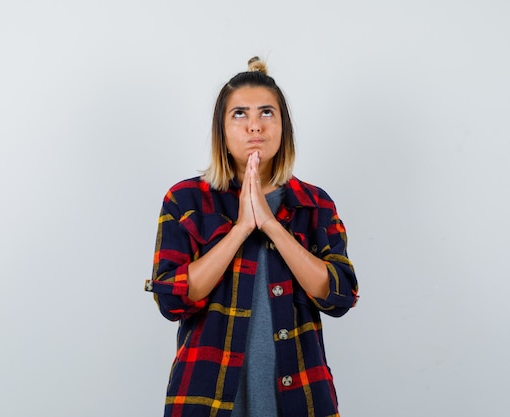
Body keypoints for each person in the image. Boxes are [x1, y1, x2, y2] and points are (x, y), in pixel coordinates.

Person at [145, 57, 359, 417]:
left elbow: (339, 295)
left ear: (283, 127)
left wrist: (272, 224)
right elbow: (172, 300)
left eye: (267, 113)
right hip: (207, 399)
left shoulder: (316, 204)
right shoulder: (185, 200)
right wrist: (242, 226)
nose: (255, 126)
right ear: (223, 131)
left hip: (301, 398)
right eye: (240, 114)